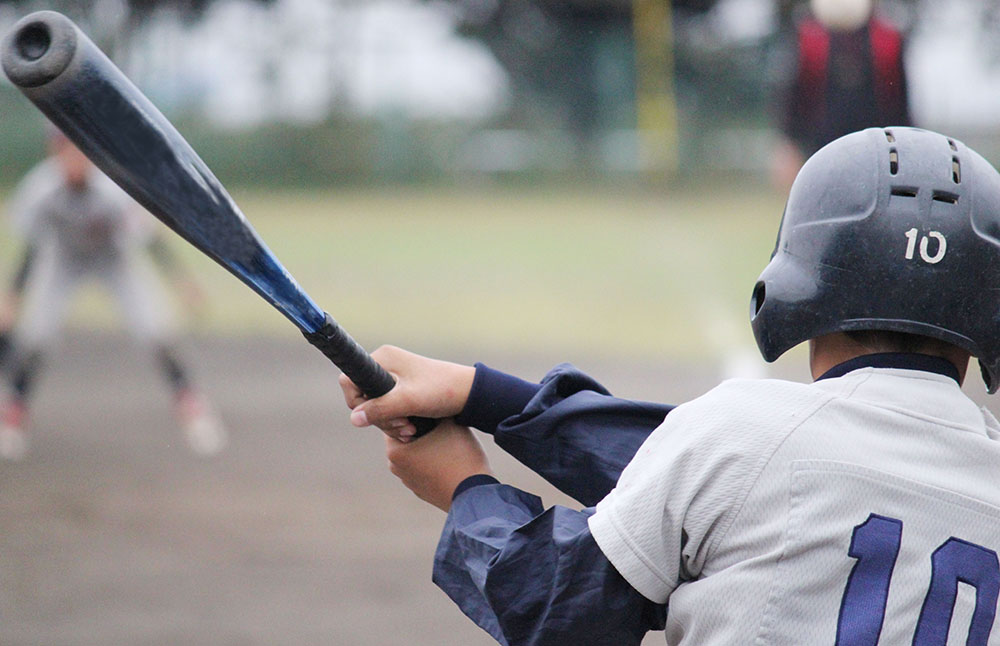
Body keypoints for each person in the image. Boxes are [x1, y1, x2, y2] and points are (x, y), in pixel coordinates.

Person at [340, 127, 1000, 645]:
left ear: (806, 283)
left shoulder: (745, 435)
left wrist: (464, 489)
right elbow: (707, 480)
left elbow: (554, 609)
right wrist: (486, 395)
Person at [0, 127, 227, 460]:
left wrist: (182, 282)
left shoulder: (115, 188)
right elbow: (32, 247)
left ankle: (193, 409)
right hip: (63, 261)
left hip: (115, 260)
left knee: (156, 330)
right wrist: (13, 296)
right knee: (35, 336)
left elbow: (150, 238)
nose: (74, 159)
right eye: (65, 151)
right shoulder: (40, 190)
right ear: (53, 153)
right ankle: (14, 416)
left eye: (80, 151)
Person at [772, 0, 911, 190]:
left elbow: (900, 105)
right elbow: (794, 99)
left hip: (875, 153)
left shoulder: (888, 40)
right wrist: (788, 146)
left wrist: (904, 150)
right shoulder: (808, 39)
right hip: (820, 150)